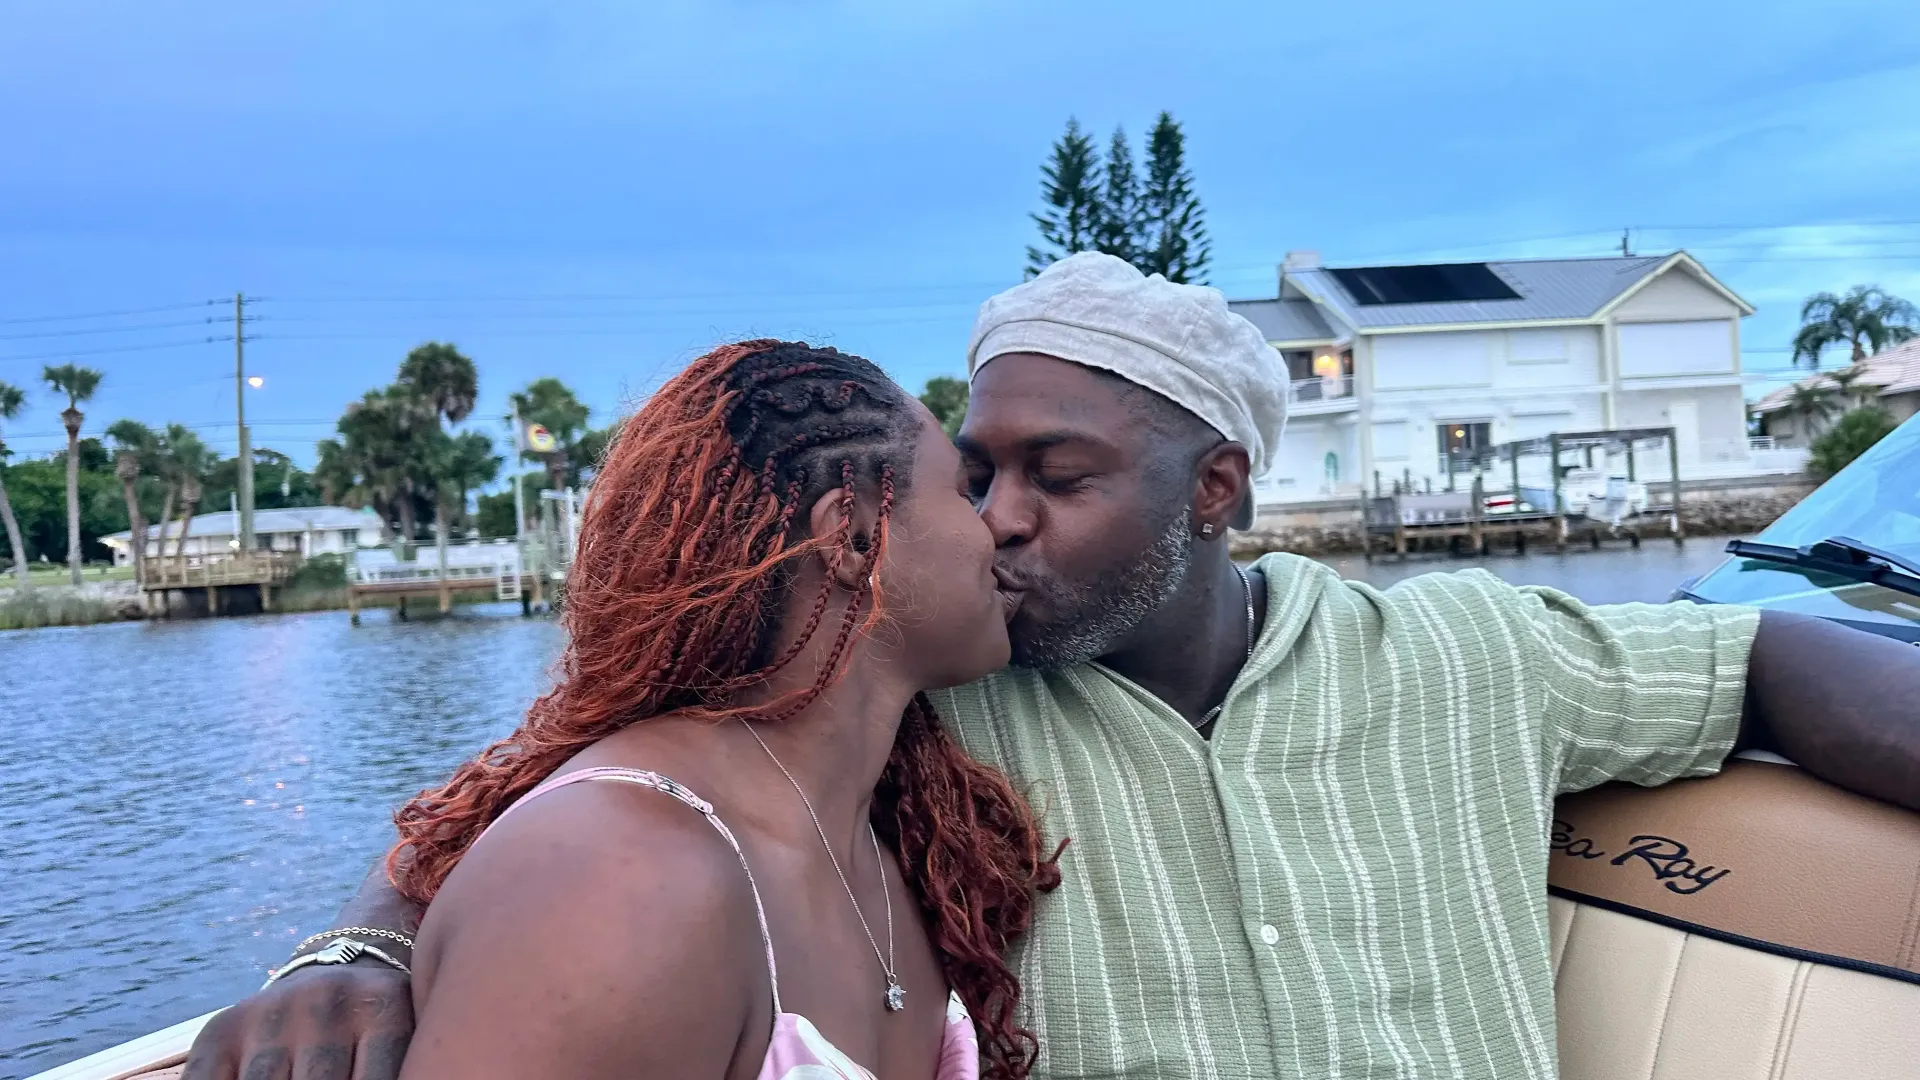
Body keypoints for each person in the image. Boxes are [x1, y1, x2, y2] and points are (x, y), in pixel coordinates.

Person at [185, 254, 1920, 1080]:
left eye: (1061, 479)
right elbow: (578, 784)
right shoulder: (920, 708)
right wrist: (363, 939)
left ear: (1217, 490)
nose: (1002, 520)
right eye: (978, 471)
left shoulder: (1473, 651)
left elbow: (1761, 658)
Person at [238, 340, 1062, 1080]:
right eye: (964, 490)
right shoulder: (626, 880)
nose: (997, 525)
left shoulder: (883, 831)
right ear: (851, 539)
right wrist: (352, 947)